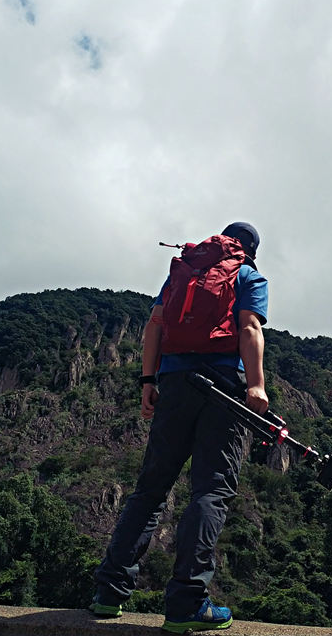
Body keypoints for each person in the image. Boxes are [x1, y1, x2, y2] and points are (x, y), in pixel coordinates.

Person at [89, 222, 269, 634]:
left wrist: (148, 381)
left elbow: (153, 325)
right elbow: (249, 328)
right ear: (251, 250)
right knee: (211, 489)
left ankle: (108, 594)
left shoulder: (185, 270)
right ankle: (187, 603)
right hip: (223, 385)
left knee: (151, 488)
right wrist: (256, 385)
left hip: (173, 382)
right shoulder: (247, 274)